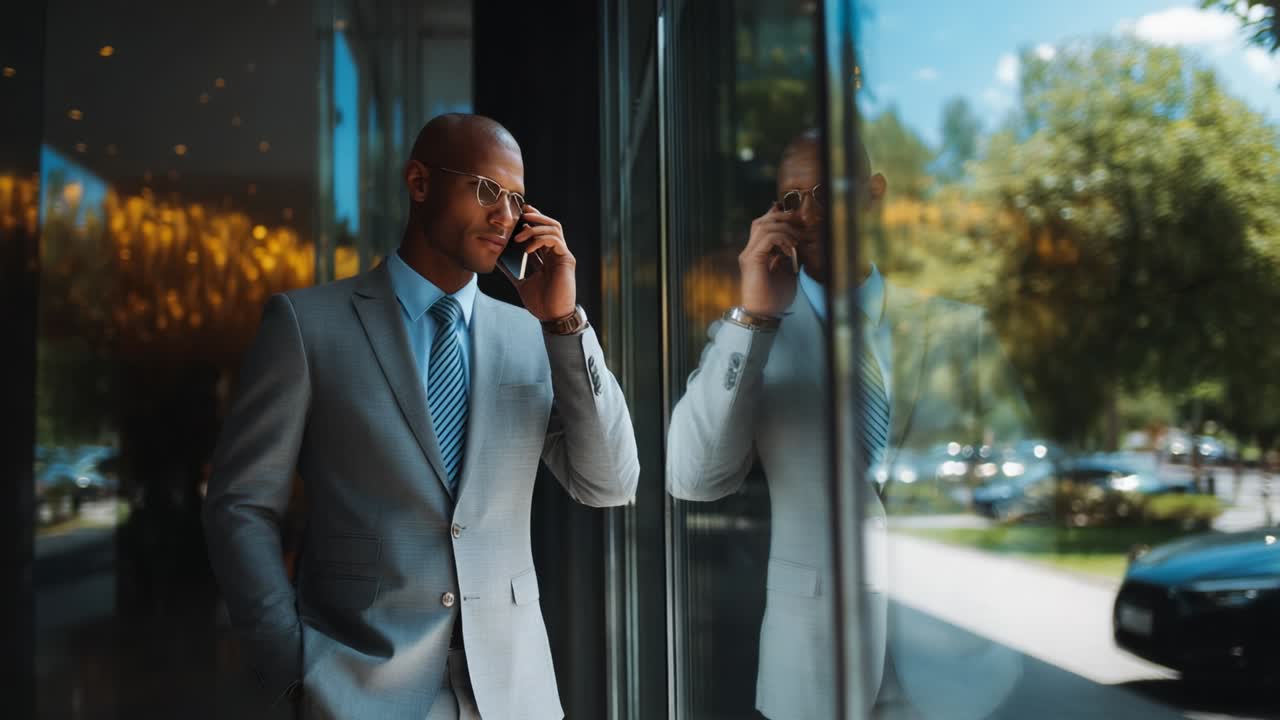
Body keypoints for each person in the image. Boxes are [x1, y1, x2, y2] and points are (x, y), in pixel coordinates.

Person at [203, 113, 640, 720]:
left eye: (516, 199)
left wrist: (565, 324)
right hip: (358, 688)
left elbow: (610, 482)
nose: (505, 215)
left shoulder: (532, 335)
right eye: (487, 189)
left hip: (514, 693)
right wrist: (291, 663)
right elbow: (241, 505)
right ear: (419, 183)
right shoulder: (308, 327)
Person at [666, 130, 1028, 719]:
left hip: (953, 663)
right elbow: (692, 478)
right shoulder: (752, 336)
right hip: (811, 665)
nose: (806, 214)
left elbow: (1023, 484)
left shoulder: (962, 330)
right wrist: (754, 317)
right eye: (790, 199)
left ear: (873, 194)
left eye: (825, 192)